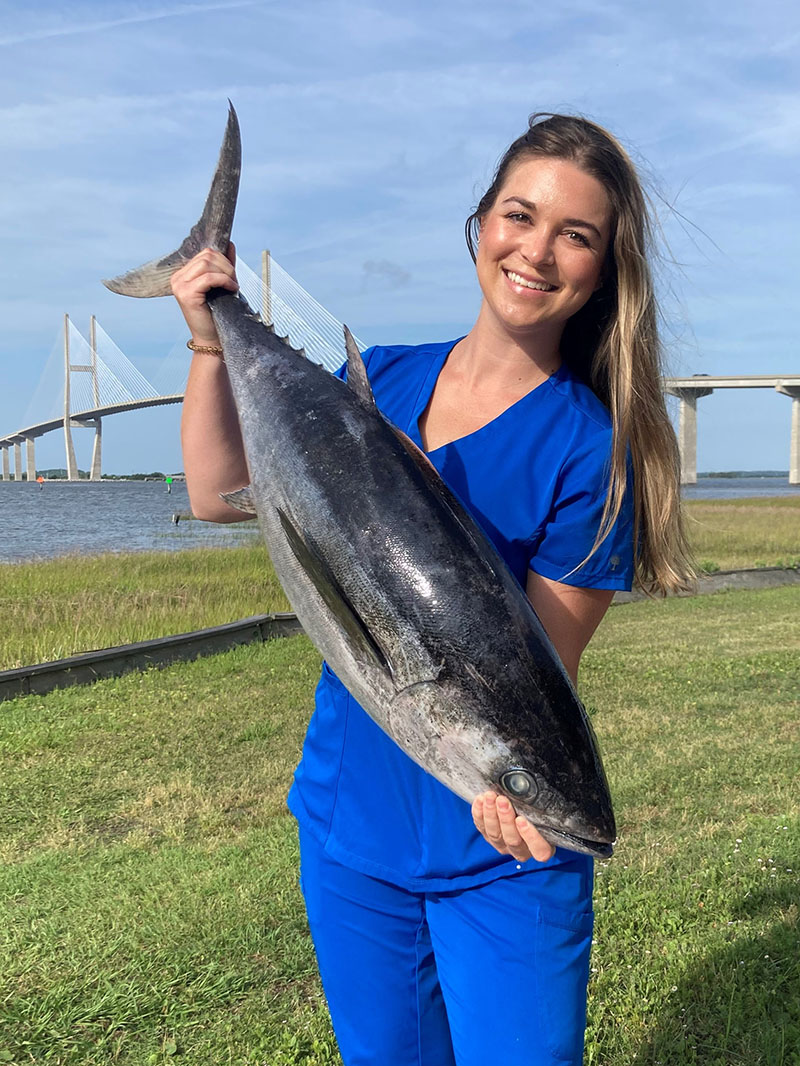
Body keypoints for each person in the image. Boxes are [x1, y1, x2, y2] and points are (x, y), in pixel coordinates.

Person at [172, 113, 693, 1066]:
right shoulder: (382, 380)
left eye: (575, 236)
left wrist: (518, 793)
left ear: (604, 267)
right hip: (350, 831)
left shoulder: (594, 454)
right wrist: (213, 340)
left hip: (505, 855)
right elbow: (216, 495)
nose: (537, 251)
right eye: (519, 216)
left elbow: (526, 680)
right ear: (480, 225)